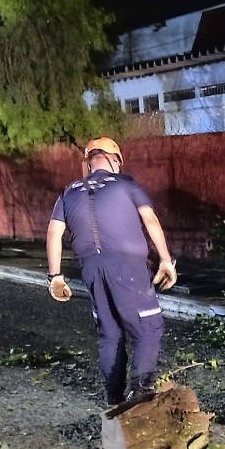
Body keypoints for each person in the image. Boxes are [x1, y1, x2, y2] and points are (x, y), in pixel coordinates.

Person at [46, 137, 178, 407]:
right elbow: (150, 219)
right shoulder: (126, 183)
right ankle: (141, 391)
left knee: (110, 333)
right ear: (114, 159)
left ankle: (113, 398)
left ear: (88, 161)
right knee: (148, 328)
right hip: (127, 266)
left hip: (92, 270)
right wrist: (165, 260)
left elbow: (53, 232)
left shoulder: (68, 191)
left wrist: (55, 276)